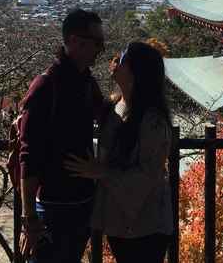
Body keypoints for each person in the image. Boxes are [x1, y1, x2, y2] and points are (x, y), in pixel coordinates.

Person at [65, 41, 174, 263]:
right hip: (121, 221)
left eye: (122, 58)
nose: (115, 60)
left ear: (136, 72)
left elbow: (148, 176)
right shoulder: (117, 106)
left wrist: (102, 172)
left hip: (146, 225)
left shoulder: (152, 120)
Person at [19, 8, 106, 262]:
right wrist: (30, 218)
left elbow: (109, 120)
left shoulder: (86, 83)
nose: (101, 49)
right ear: (74, 42)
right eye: (97, 42)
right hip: (53, 205)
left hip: (81, 202)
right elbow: (29, 155)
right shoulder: (46, 86)